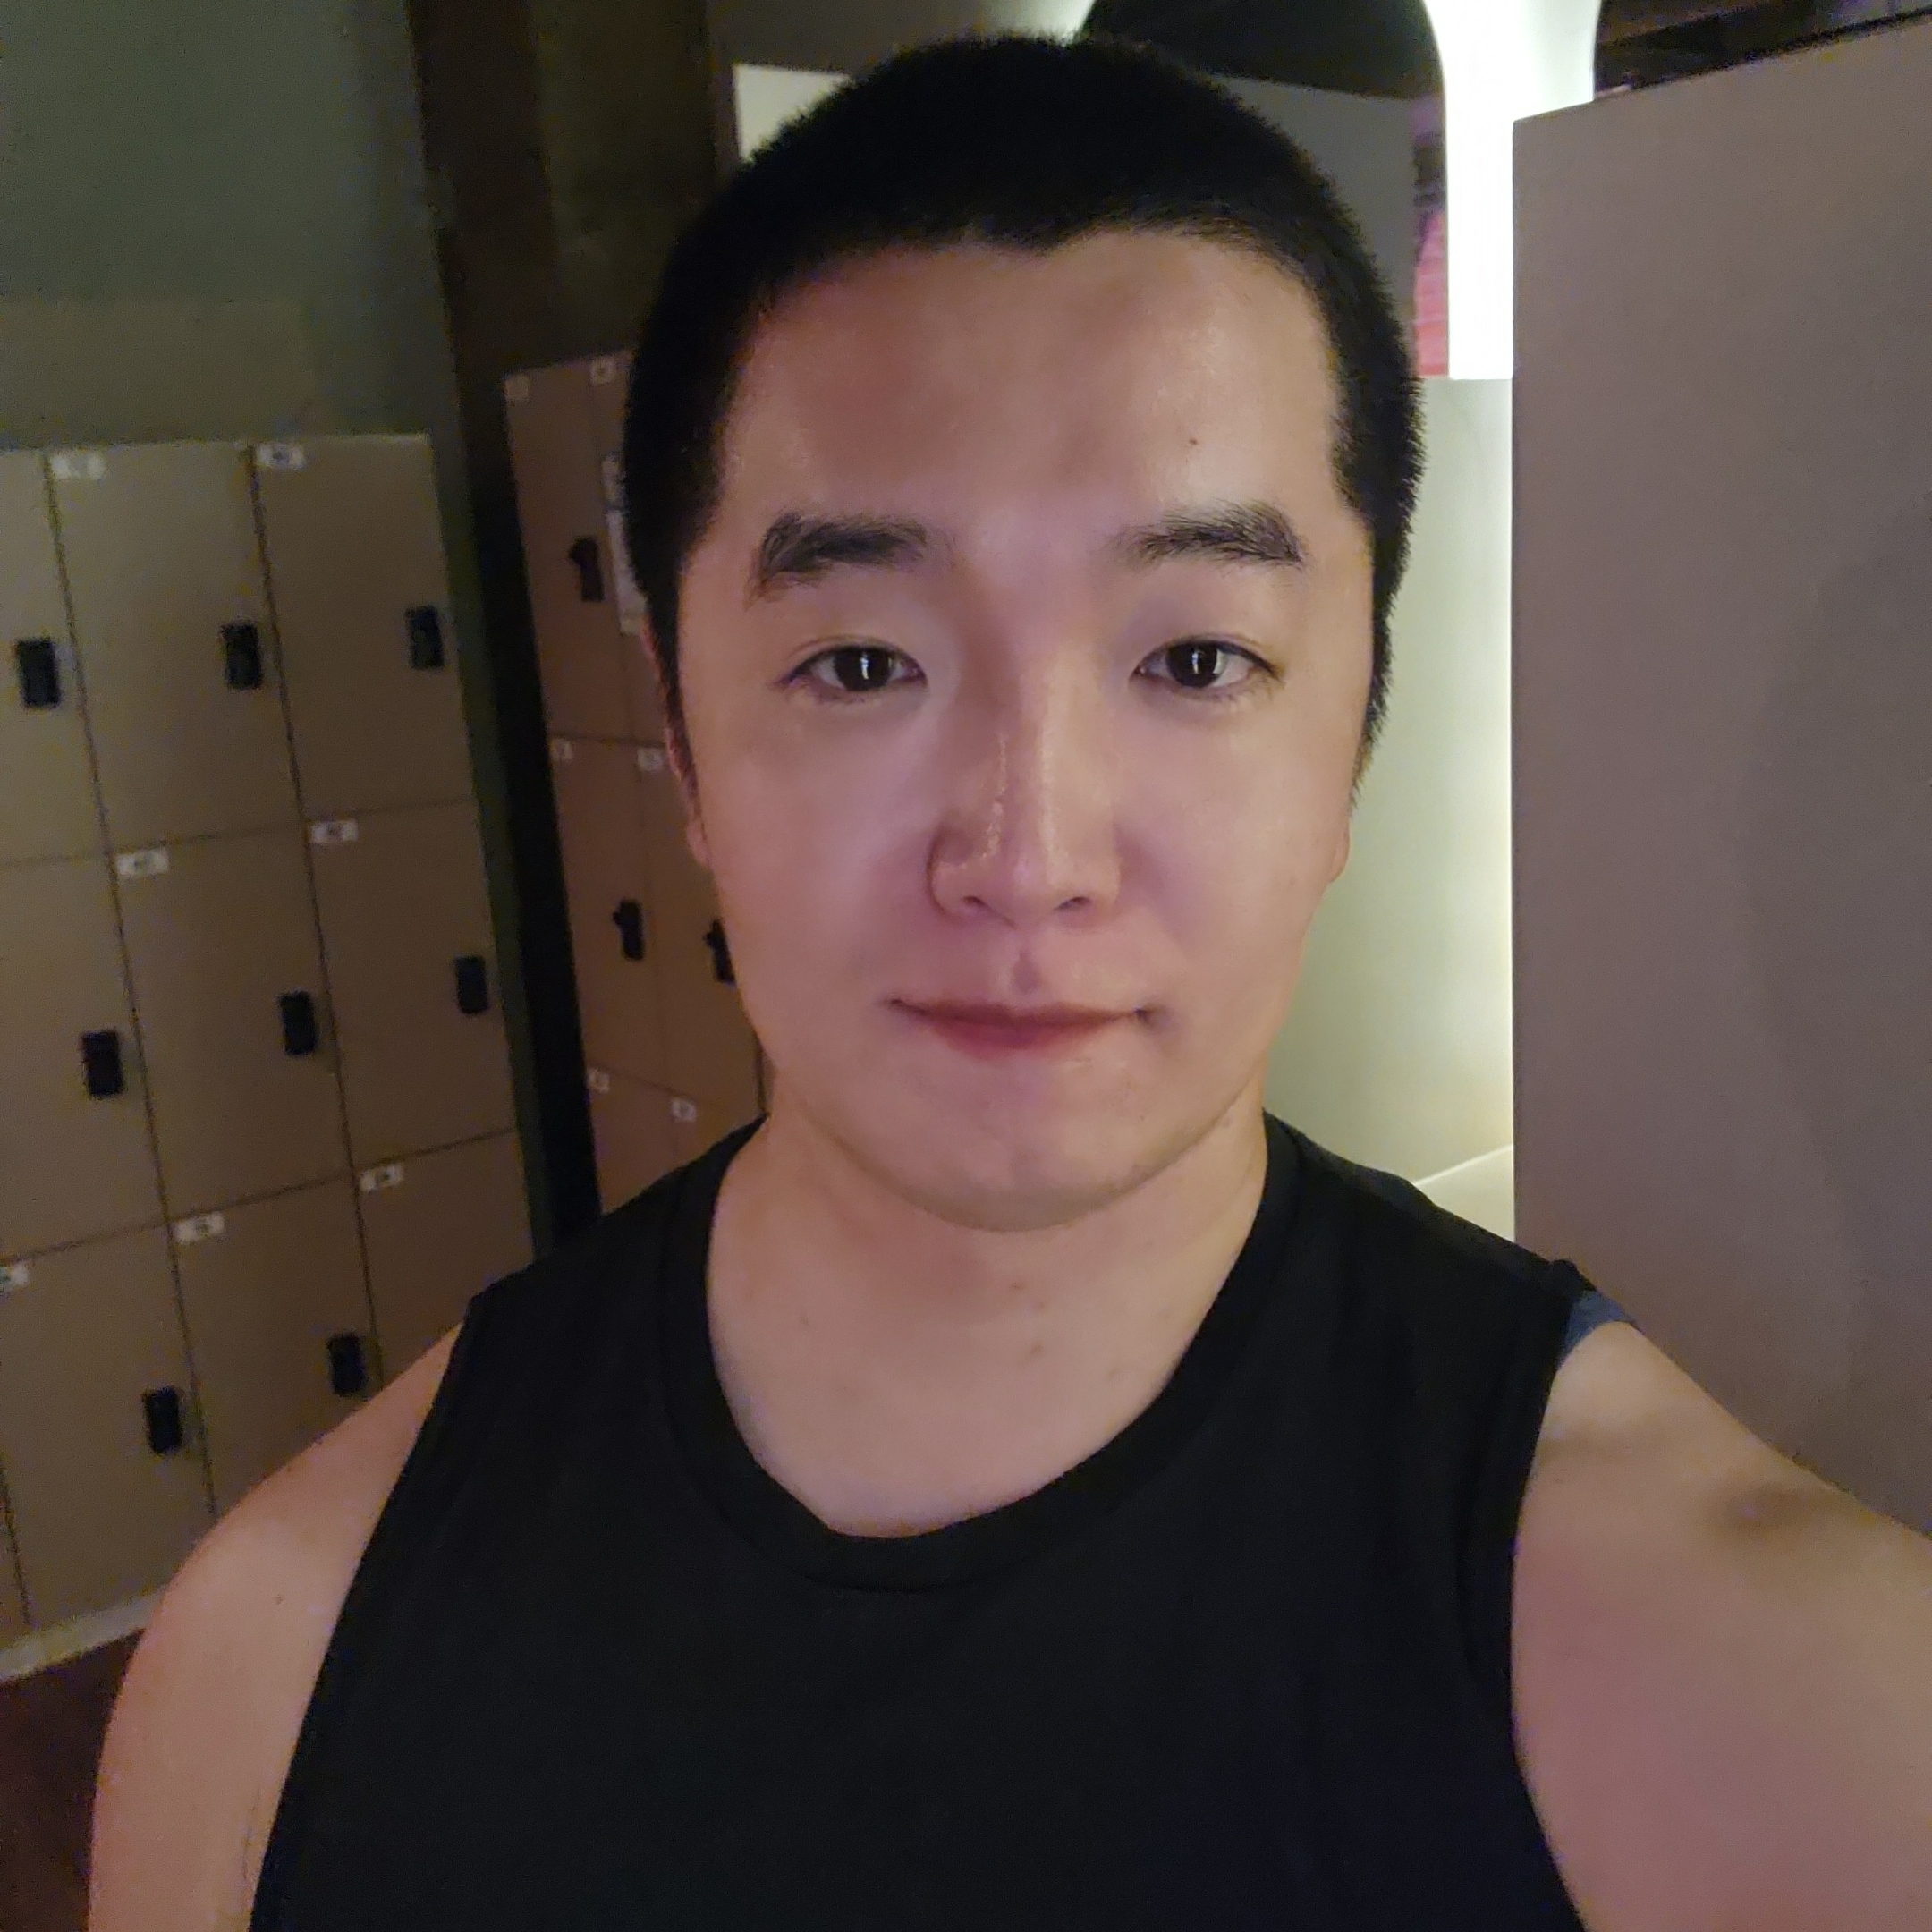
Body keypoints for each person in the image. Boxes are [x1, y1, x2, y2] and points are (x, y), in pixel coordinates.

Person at [91, 33, 1931, 1932]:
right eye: (863, 664)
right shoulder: (279, 1670)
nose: (1028, 855)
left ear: (1356, 742)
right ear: (683, 744)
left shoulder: (1759, 1695)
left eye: (1196, 661)